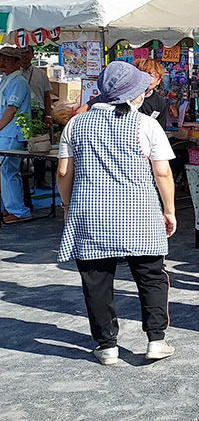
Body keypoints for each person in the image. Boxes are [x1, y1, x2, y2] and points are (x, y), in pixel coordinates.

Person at [55, 61, 177, 365]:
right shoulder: (147, 125)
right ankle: (156, 340)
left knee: (96, 281)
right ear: (132, 94)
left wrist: (69, 205)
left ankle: (107, 345)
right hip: (140, 213)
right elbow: (162, 173)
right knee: (150, 276)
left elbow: (62, 172)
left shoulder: (76, 124)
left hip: (90, 214)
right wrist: (170, 210)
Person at [0, 47, 33, 223]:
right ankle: (10, 206)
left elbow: (11, 110)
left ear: (17, 62)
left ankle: (19, 211)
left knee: (8, 171)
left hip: (11, 133)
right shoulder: (6, 80)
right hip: (6, 132)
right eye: (1, 58)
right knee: (5, 172)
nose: (2, 62)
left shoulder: (18, 82)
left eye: (7, 59)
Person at [19, 46, 54, 190]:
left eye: (27, 52)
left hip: (37, 112)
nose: (24, 55)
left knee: (40, 147)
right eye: (21, 52)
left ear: (33, 55)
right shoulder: (13, 74)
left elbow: (47, 96)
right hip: (19, 113)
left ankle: (40, 179)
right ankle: (20, 177)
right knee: (19, 147)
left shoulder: (40, 73)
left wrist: (48, 115)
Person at [134, 59, 168, 130]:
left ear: (158, 80)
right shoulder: (127, 97)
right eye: (143, 74)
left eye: (150, 76)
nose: (146, 79)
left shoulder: (159, 103)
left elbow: (160, 130)